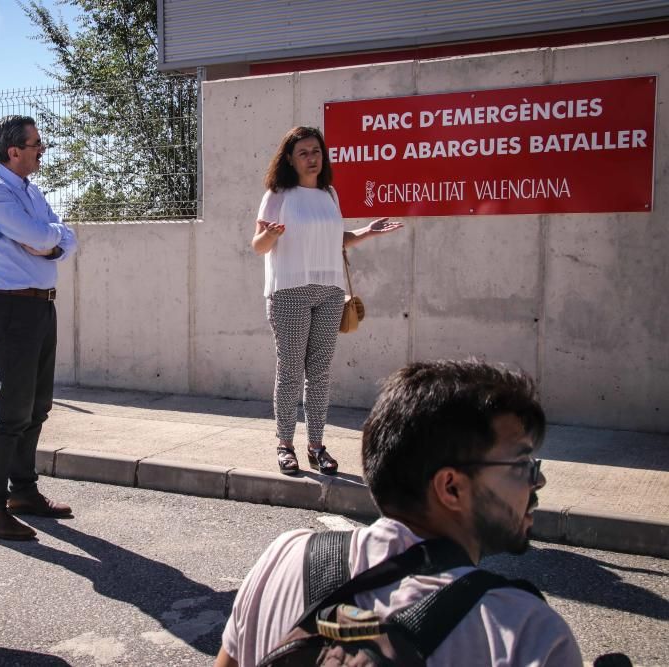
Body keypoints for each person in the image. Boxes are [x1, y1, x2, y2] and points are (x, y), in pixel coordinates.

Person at [215, 359, 583, 667]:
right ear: (451, 487)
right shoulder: (524, 634)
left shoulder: (284, 557)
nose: (539, 480)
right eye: (523, 465)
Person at [252, 126, 402, 476]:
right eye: (303, 152)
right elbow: (259, 246)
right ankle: (285, 444)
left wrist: (367, 232)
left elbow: (335, 238)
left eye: (316, 151)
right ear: (289, 158)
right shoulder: (279, 194)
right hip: (289, 290)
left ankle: (316, 445)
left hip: (330, 290)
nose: (312, 158)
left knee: (319, 373)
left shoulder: (329, 194)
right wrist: (270, 234)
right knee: (290, 371)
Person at [0, 114, 78, 541]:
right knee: (12, 413)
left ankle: (23, 491)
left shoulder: (31, 193)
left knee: (38, 407)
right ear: (12, 150)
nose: (41, 150)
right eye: (35, 144)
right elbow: (40, 240)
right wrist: (46, 239)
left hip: (40, 308)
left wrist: (48, 237)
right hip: (14, 308)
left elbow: (62, 238)